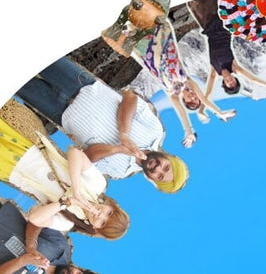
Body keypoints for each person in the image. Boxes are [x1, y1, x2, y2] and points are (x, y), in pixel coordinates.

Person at [21, 59, 190, 194]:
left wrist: (118, 149)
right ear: (169, 157)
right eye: (166, 167)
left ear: (152, 180)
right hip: (81, 84)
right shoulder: (155, 132)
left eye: (159, 176)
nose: (158, 168)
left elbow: (86, 156)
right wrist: (124, 134)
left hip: (59, 112)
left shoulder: (120, 172)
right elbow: (130, 98)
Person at [0, 117, 131, 240]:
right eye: (109, 213)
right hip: (29, 142)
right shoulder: (97, 185)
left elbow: (35, 218)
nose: (100, 215)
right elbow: (75, 153)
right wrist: (77, 190)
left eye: (102, 223)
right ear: (111, 205)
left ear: (95, 229)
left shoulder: (67, 222)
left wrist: (65, 203)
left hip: (12, 170)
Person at [140, 23, 236, 147]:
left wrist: (189, 131)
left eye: (191, 101)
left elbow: (182, 113)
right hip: (164, 44)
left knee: (138, 34)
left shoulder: (173, 93)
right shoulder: (188, 81)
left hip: (151, 55)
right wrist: (219, 113)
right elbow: (204, 100)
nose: (193, 97)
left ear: (185, 101)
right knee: (152, 23)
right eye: (196, 98)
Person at [188, 0, 266, 99]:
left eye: (229, 84)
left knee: (193, 1)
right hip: (221, 23)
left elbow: (207, 94)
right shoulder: (234, 67)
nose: (230, 82)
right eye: (234, 82)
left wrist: (203, 103)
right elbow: (253, 79)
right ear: (235, 79)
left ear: (224, 84)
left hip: (208, 26)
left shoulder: (215, 71)